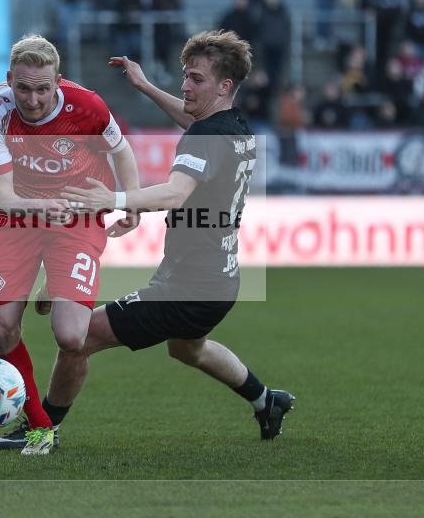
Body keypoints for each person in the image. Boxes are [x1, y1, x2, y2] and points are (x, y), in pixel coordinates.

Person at [16, 30, 295, 447]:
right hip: (220, 280)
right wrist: (146, 87)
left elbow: (173, 193)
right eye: (185, 75)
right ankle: (265, 400)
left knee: (79, 338)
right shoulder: (234, 127)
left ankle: (43, 430)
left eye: (196, 79)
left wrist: (112, 197)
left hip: (186, 289)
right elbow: (192, 120)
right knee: (187, 350)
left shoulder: (207, 137)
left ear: (224, 86)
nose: (185, 85)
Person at [0, 34, 140, 455]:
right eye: (23, 87)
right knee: (2, 329)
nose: (32, 99)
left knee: (71, 337)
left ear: (58, 82)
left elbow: (122, 152)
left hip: (78, 213)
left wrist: (132, 202)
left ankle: (55, 279)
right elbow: (6, 199)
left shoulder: (86, 106)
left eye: (43, 88)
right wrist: (44, 207)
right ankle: (40, 428)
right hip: (20, 216)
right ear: (9, 79)